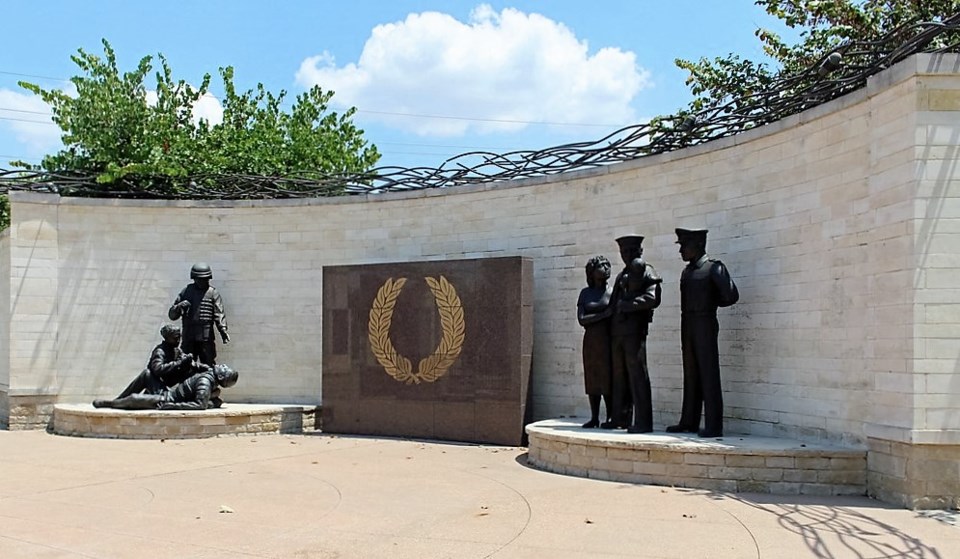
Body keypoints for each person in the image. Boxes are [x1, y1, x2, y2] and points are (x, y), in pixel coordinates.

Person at [666, 228, 739, 438]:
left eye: (683, 245)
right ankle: (689, 421)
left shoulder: (713, 268)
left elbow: (731, 295)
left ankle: (714, 425)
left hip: (705, 322)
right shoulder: (687, 271)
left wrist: (709, 305)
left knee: (708, 374)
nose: (681, 250)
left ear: (697, 245)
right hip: (687, 323)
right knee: (690, 374)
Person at [609, 235, 662, 433]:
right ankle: (620, 418)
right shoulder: (622, 274)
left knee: (638, 374)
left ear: (640, 251)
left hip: (634, 330)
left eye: (631, 251)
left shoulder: (647, 270)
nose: (627, 255)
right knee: (619, 375)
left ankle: (643, 421)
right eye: (624, 252)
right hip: (618, 332)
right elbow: (613, 303)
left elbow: (652, 297)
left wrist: (628, 305)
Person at [93, 364, 239, 411]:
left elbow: (199, 405)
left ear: (221, 377)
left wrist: (172, 406)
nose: (222, 365)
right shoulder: (207, 374)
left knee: (135, 399)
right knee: (147, 374)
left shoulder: (205, 383)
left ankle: (110, 404)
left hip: (166, 399)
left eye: (225, 369)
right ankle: (119, 400)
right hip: (169, 393)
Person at [576, 255, 614, 429]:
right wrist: (603, 315)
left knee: (608, 377)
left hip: (608, 339)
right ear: (592, 271)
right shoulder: (586, 293)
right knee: (592, 378)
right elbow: (582, 319)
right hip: (591, 340)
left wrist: (600, 318)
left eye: (608, 265)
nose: (606, 268)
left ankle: (611, 416)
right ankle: (594, 417)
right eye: (601, 266)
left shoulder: (614, 292)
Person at [114, 324, 199, 399]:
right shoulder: (160, 351)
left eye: (179, 337)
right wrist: (179, 363)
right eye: (175, 338)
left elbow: (186, 361)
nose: (178, 340)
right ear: (167, 338)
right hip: (157, 386)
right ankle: (121, 399)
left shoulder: (177, 350)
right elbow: (158, 369)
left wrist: (195, 364)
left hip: (170, 386)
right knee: (146, 373)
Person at [168, 263, 230, 366]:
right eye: (200, 279)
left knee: (209, 363)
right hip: (189, 334)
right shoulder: (186, 291)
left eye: (205, 279)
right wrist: (179, 306)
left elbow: (219, 313)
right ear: (194, 278)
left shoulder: (212, 293)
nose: (202, 281)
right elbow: (172, 315)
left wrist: (223, 329)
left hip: (206, 335)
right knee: (185, 364)